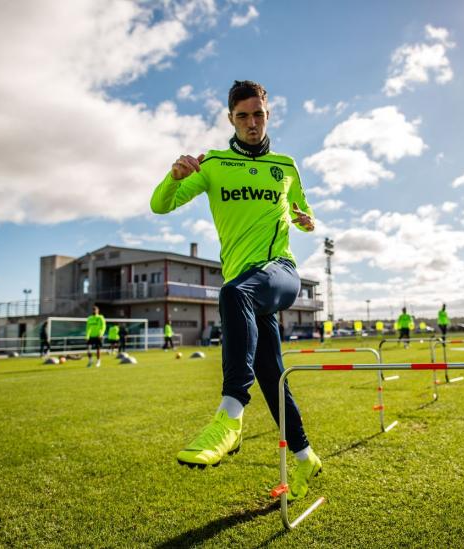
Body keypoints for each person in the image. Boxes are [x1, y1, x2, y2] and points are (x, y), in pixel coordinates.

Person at [150, 80, 320, 500]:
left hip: (279, 273)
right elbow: (160, 205)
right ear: (230, 118)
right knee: (271, 374)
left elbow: (302, 208)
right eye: (242, 116)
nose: (251, 123)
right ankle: (304, 458)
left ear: (268, 113)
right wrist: (173, 177)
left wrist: (306, 220)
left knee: (232, 294)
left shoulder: (286, 165)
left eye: (258, 114)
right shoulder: (214, 164)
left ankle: (230, 416)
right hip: (245, 285)